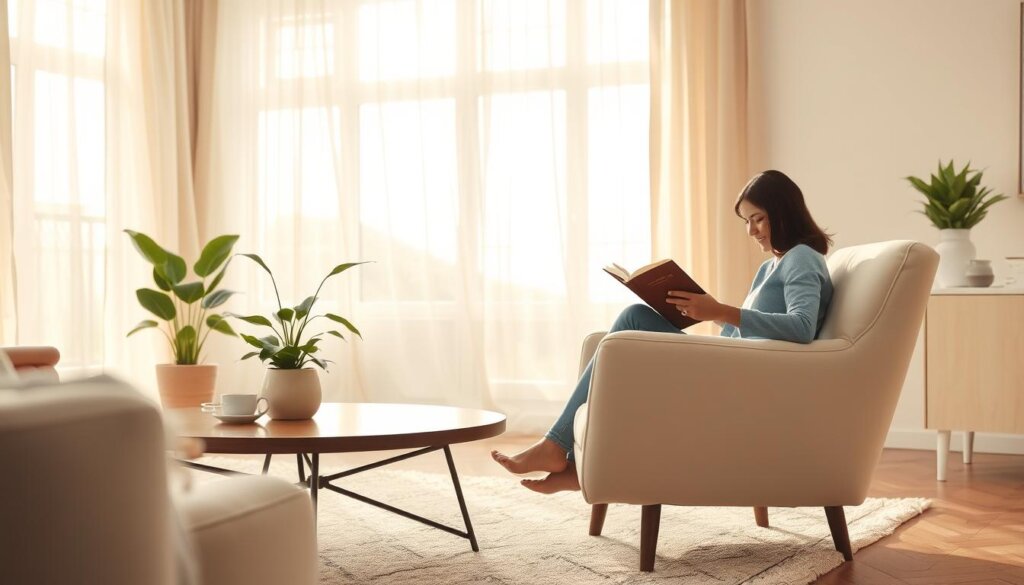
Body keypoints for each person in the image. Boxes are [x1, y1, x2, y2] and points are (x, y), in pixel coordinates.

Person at [491, 170, 835, 493]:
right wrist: (706, 311)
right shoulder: (772, 264)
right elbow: (750, 328)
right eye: (747, 222)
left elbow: (802, 327)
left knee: (633, 319)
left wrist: (720, 310)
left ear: (784, 211)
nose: (751, 231)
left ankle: (558, 448)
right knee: (634, 327)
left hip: (744, 377)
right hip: (734, 363)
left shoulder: (802, 257)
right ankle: (575, 465)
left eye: (758, 218)